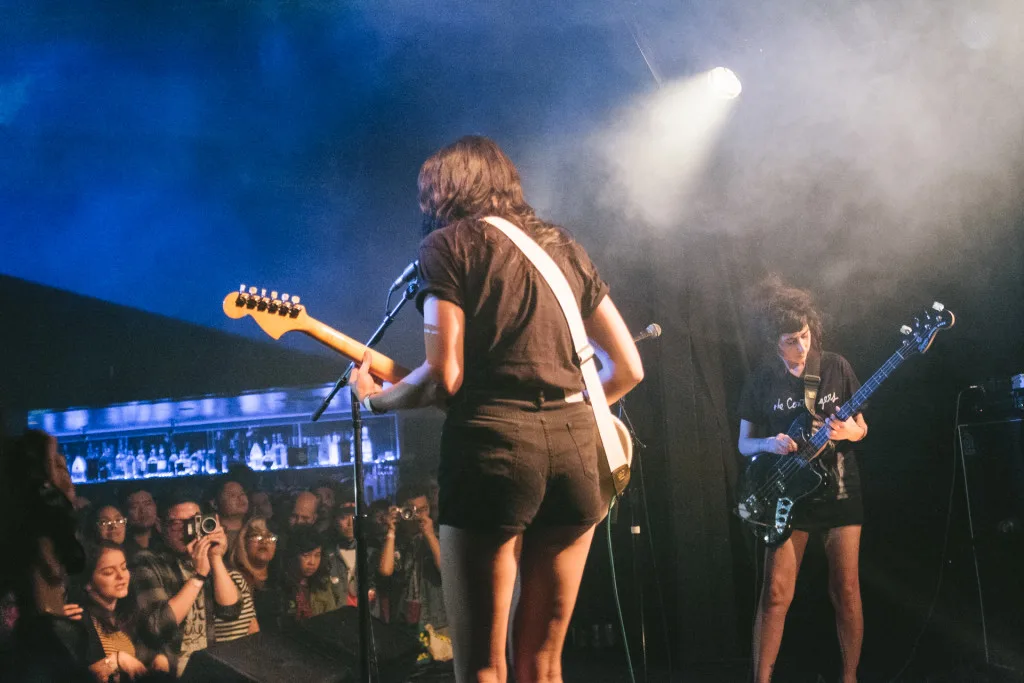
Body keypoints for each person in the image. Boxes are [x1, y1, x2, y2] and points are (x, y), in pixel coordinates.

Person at [349, 135, 644, 682]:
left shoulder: (446, 246)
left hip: (493, 451)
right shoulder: (561, 247)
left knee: (484, 667)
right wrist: (565, 418)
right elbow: (628, 368)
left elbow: (444, 374)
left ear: (442, 191)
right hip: (578, 450)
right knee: (544, 663)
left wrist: (375, 399)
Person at [737, 276, 868, 683]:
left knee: (846, 590)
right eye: (791, 340)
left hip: (839, 490)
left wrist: (849, 431)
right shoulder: (762, 379)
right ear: (774, 343)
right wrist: (770, 443)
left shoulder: (835, 366)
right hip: (787, 494)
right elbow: (744, 443)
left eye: (806, 335)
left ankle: (849, 678)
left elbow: (861, 427)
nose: (802, 346)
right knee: (776, 594)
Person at [131, 492, 241, 676]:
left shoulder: (206, 560)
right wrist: (198, 577)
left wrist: (215, 558)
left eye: (194, 521)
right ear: (160, 525)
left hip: (203, 670)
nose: (187, 529)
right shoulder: (146, 562)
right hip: (167, 673)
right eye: (176, 523)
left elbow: (230, 611)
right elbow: (157, 627)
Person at [63, 541, 171, 679]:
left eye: (124, 567)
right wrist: (115, 661)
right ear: (88, 583)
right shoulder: (78, 619)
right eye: (109, 572)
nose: (121, 576)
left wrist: (158, 658)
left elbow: (148, 651)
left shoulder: (126, 613)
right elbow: (72, 677)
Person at [375, 482, 445, 631]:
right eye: (412, 510)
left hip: (436, 621)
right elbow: (385, 571)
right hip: (403, 620)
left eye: (423, 509)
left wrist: (430, 535)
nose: (418, 515)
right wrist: (391, 530)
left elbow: (446, 571)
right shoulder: (395, 542)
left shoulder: (439, 537)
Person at [275, 525, 337, 621]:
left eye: (317, 555)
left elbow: (332, 617)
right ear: (294, 555)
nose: (312, 562)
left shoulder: (322, 583)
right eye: (306, 555)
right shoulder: (281, 585)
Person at [324, 495, 359, 608]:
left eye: (354, 517)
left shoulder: (370, 552)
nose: (350, 523)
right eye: (344, 517)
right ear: (335, 520)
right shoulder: (326, 554)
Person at [207, 476, 249, 558]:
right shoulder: (212, 537)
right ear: (214, 503)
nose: (240, 498)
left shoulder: (255, 529)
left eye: (242, 493)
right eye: (232, 495)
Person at [120, 488, 160, 563]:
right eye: (135, 507)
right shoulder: (121, 550)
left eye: (147, 504)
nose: (143, 511)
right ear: (126, 513)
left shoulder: (167, 541)